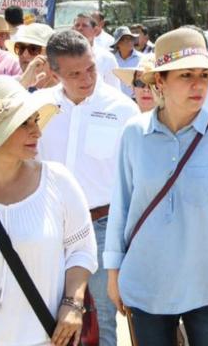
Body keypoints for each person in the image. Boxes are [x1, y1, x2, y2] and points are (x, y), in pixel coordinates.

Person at [104, 27, 208, 345]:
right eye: (186, 75)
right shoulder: (135, 133)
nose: (198, 84)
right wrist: (113, 273)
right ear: (160, 81)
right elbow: (121, 205)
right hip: (146, 281)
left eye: (203, 75)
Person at [36, 30, 140, 346]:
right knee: (46, 315)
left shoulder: (123, 110)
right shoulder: (36, 109)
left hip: (103, 228)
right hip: (47, 225)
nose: (87, 79)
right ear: (54, 73)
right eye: (75, 74)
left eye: (91, 68)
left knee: (101, 321)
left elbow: (133, 181)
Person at [0, 76, 96, 346]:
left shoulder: (58, 180)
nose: (37, 132)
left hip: (45, 338)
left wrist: (73, 304)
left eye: (35, 120)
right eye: (23, 124)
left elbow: (81, 249)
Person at [73, 13, 121, 89]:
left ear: (95, 31)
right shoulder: (64, 57)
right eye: (77, 25)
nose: (80, 28)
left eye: (84, 25)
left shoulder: (107, 58)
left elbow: (115, 89)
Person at [8, 23, 58, 91]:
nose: (24, 54)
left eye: (33, 49)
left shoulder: (66, 90)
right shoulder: (10, 84)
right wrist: (24, 84)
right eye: (21, 48)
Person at [111, 26, 144, 98]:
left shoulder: (142, 58)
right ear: (118, 43)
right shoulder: (112, 59)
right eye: (125, 39)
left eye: (131, 39)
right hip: (116, 99)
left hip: (136, 99)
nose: (130, 41)